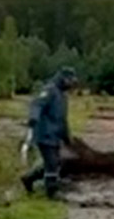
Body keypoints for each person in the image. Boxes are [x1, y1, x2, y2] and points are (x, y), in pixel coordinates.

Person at [22, 68, 78, 199]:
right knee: (52, 162)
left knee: (57, 162)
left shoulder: (63, 96)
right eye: (70, 80)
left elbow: (62, 119)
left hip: (55, 135)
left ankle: (29, 179)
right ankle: (51, 191)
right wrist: (33, 118)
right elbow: (37, 104)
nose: (71, 84)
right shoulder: (49, 90)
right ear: (63, 78)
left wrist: (67, 137)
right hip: (44, 134)